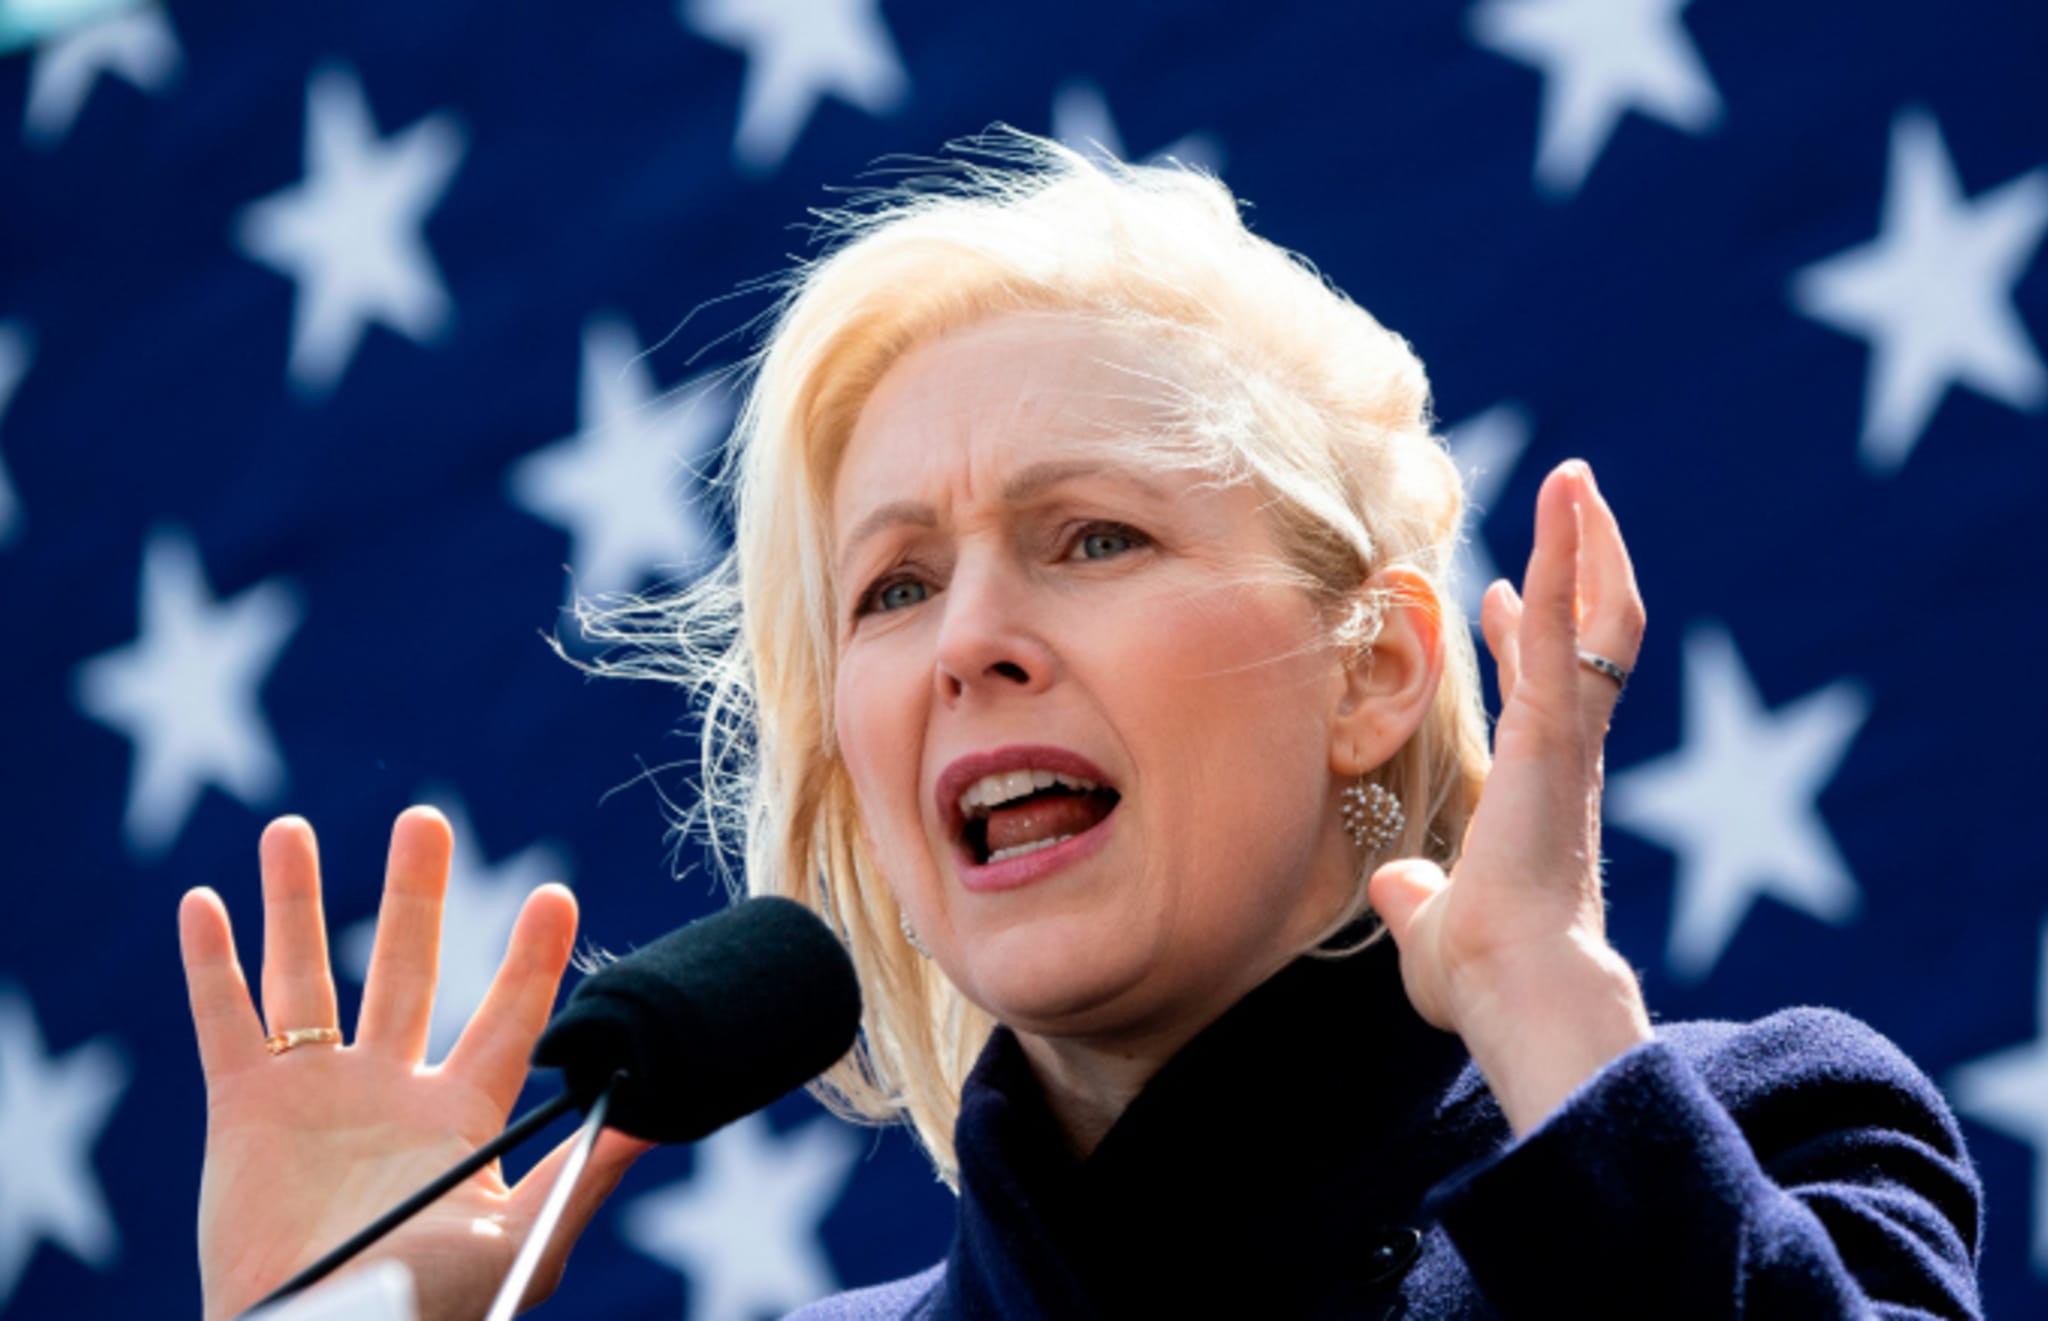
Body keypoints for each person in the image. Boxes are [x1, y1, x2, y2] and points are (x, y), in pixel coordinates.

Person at [177, 133, 1984, 1319]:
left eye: (1093, 536)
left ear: (1371, 671)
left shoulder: (1761, 1144)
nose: (971, 639)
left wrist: (1565, 1045)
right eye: (892, 586)